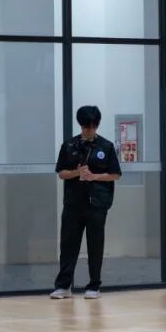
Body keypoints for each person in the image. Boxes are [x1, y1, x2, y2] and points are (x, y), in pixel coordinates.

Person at [50, 105, 122, 300]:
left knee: (95, 245)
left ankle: (94, 286)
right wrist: (77, 172)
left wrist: (94, 176)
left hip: (97, 204)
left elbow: (115, 174)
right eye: (85, 127)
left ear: (96, 125)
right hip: (73, 203)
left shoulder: (106, 147)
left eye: (91, 127)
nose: (88, 130)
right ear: (80, 125)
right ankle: (64, 286)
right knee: (68, 245)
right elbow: (61, 173)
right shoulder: (69, 145)